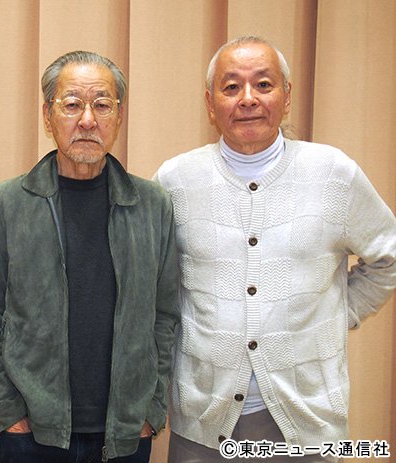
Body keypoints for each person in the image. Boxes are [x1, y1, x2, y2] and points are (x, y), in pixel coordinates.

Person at [155, 36, 396, 463]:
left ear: (286, 97)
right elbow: (157, 285)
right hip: (203, 422)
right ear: (210, 103)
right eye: (231, 87)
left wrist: (339, 312)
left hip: (307, 420)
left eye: (263, 84)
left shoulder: (333, 173)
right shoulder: (176, 181)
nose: (248, 98)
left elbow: (388, 256)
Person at [0, 50, 179, 463]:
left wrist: (151, 409)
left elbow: (165, 315)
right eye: (71, 105)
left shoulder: (150, 204)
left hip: (124, 432)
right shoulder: (10, 201)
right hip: (31, 432)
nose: (87, 120)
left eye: (102, 105)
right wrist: (7, 409)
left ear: (119, 116)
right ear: (48, 116)